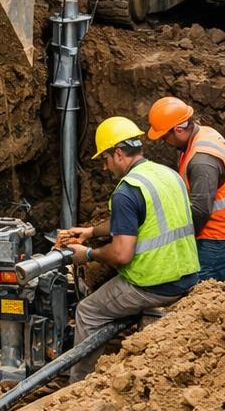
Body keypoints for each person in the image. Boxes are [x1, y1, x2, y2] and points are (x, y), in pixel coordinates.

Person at [56, 116, 199, 383]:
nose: (106, 166)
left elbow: (121, 254)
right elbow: (136, 218)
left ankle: (77, 387)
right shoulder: (166, 174)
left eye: (106, 159)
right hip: (186, 273)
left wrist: (87, 254)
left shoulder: (125, 192)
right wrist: (90, 232)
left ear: (119, 153)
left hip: (153, 283)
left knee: (88, 311)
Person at [146, 96, 225, 282]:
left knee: (196, 286)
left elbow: (200, 210)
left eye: (164, 136)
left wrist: (180, 240)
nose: (163, 141)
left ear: (179, 130)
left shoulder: (202, 161)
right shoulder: (204, 133)